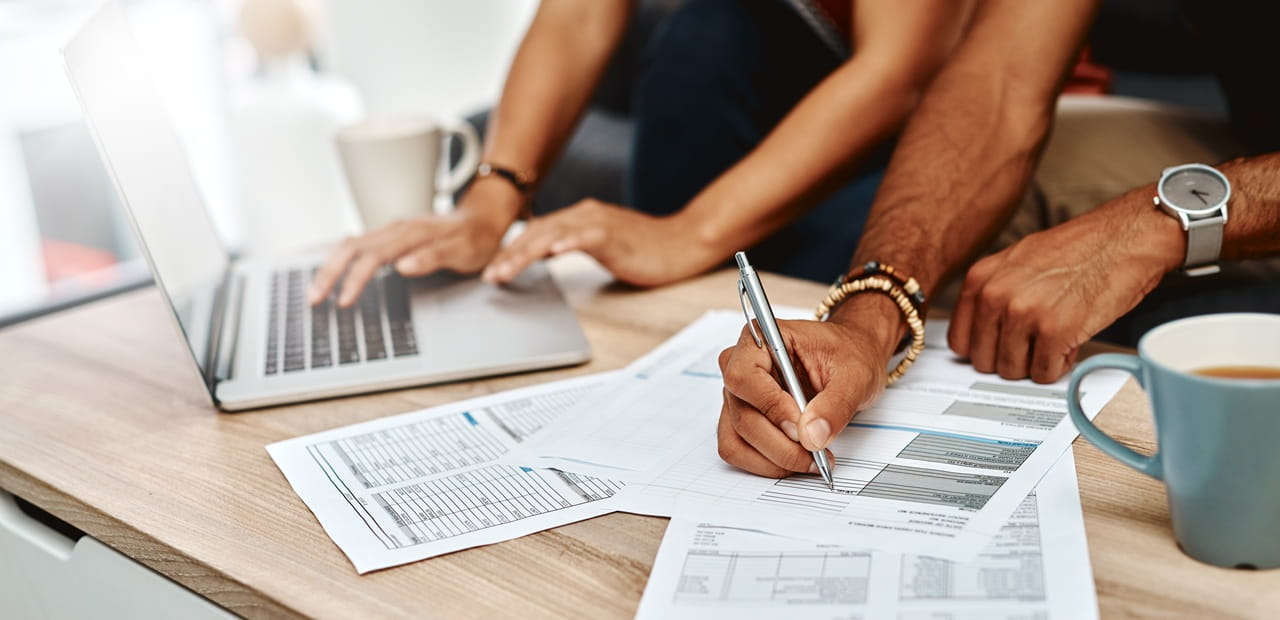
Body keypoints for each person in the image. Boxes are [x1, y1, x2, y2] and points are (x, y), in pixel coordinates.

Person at [716, 0, 1280, 479]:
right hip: (1250, 140)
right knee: (981, 206)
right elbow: (999, 85)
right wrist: (871, 312)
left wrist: (1153, 225)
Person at [308, 0, 975, 308]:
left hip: (905, 126)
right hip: (740, 78)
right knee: (705, 36)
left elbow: (900, 69)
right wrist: (489, 204)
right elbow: (577, 15)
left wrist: (687, 234)